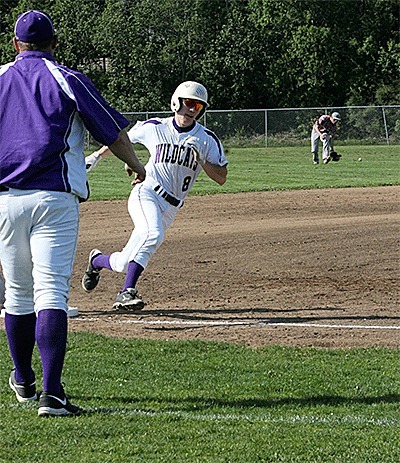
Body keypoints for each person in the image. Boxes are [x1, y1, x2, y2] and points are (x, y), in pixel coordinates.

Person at [0, 10, 146, 417]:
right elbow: (111, 131)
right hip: (53, 198)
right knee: (51, 292)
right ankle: (52, 394)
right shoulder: (67, 78)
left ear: (15, 44)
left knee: (17, 293)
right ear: (54, 43)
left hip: (5, 200)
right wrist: (137, 165)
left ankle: (23, 379)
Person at [82, 81, 228, 310]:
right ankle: (126, 292)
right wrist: (97, 156)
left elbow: (221, 177)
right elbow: (121, 140)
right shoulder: (155, 127)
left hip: (172, 207)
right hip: (147, 192)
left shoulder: (207, 139)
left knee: (123, 261)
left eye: (198, 107)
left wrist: (201, 159)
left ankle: (96, 260)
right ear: (176, 102)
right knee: (154, 234)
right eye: (188, 103)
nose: (192, 110)